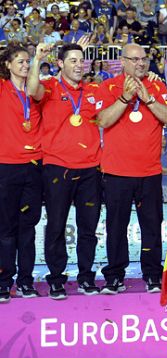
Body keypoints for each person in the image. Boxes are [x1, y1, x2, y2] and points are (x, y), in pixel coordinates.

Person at [95, 44, 167, 294]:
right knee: (116, 227)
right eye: (134, 59)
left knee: (152, 226)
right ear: (122, 61)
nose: (141, 64)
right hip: (116, 170)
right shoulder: (108, 86)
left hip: (150, 171)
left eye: (144, 59)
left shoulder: (157, 86)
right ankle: (115, 276)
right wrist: (125, 98)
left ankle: (153, 275)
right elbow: (102, 120)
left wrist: (148, 99)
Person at [33, 39, 103, 300]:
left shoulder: (94, 90)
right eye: (72, 61)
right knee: (56, 226)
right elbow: (32, 90)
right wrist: (38, 59)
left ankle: (86, 277)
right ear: (60, 64)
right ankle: (56, 279)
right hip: (57, 167)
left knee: (88, 227)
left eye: (81, 60)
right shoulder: (49, 86)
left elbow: (120, 91)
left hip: (90, 168)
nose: (78, 65)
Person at [0, 43, 45, 302]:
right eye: (20, 61)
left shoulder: (35, 88)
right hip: (6, 165)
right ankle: (4, 281)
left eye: (27, 61)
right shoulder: (2, 87)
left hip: (33, 166)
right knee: (5, 227)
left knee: (28, 227)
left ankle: (26, 281)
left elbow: (33, 90)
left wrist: (37, 60)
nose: (26, 65)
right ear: (7, 65)